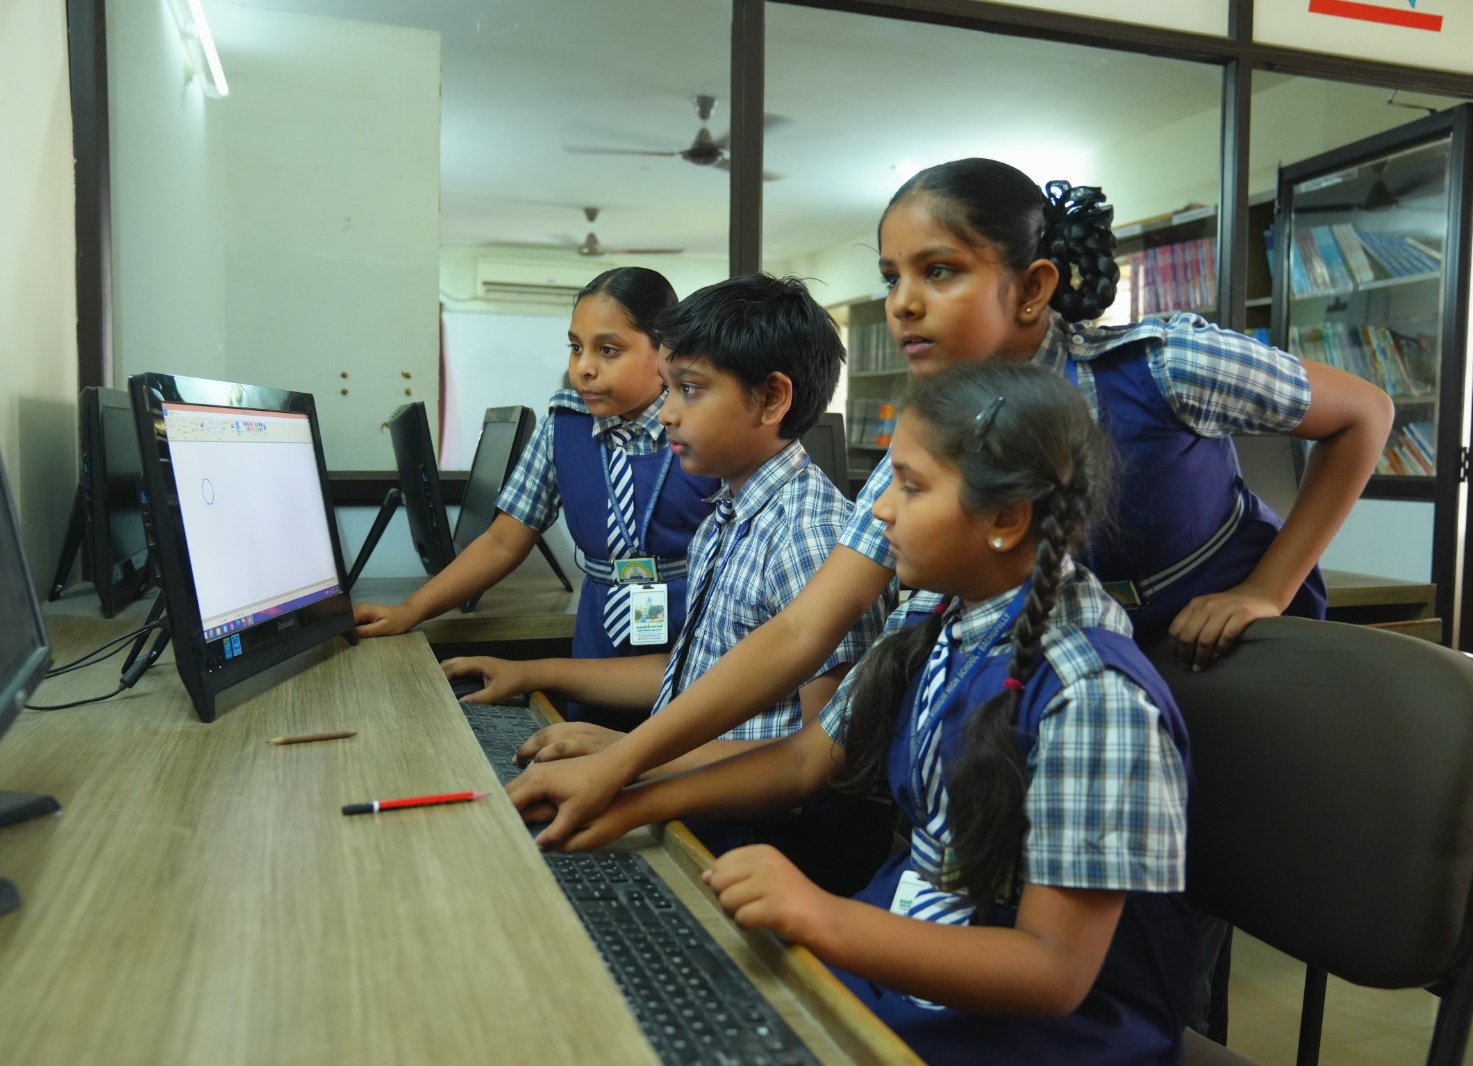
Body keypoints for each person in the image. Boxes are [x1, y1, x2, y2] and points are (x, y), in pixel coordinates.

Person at [506, 156, 1391, 844]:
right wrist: (629, 760)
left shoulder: (1160, 365)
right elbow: (803, 630)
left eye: (939, 272)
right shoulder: (931, 442)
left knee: (1194, 870)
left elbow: (1365, 414)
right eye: (892, 277)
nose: (904, 304)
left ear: (1034, 287)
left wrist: (1265, 590)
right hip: (1068, 644)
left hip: (1214, 638)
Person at [547, 361, 1193, 1063]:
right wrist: (636, 801)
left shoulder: (1091, 694)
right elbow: (805, 757)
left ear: (1007, 518)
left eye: (910, 488)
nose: (880, 509)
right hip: (907, 952)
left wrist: (822, 916)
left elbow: (1054, 972)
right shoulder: (940, 617)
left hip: (1038, 1033)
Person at [442, 274, 892, 889]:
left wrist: (630, 766)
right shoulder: (727, 517)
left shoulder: (811, 537)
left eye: (689, 389)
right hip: (702, 809)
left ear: (770, 400)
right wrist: (536, 673)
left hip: (767, 845)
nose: (669, 412)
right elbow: (690, 673)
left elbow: (820, 760)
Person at [352, 266, 719, 723]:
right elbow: (504, 540)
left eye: (608, 350)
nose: (583, 367)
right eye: (576, 347)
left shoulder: (704, 426)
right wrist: (411, 610)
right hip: (601, 622)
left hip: (695, 623)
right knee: (589, 741)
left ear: (666, 351)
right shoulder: (561, 428)